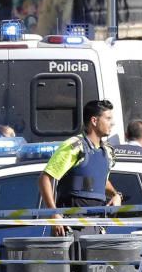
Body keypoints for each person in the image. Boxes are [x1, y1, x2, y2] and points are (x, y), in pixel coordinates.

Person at [38, 99, 122, 237]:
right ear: (94, 121)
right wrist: (53, 214)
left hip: (97, 227)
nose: (111, 123)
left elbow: (99, 181)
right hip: (72, 227)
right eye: (108, 118)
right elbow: (45, 178)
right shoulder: (75, 147)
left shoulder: (106, 151)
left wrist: (115, 194)